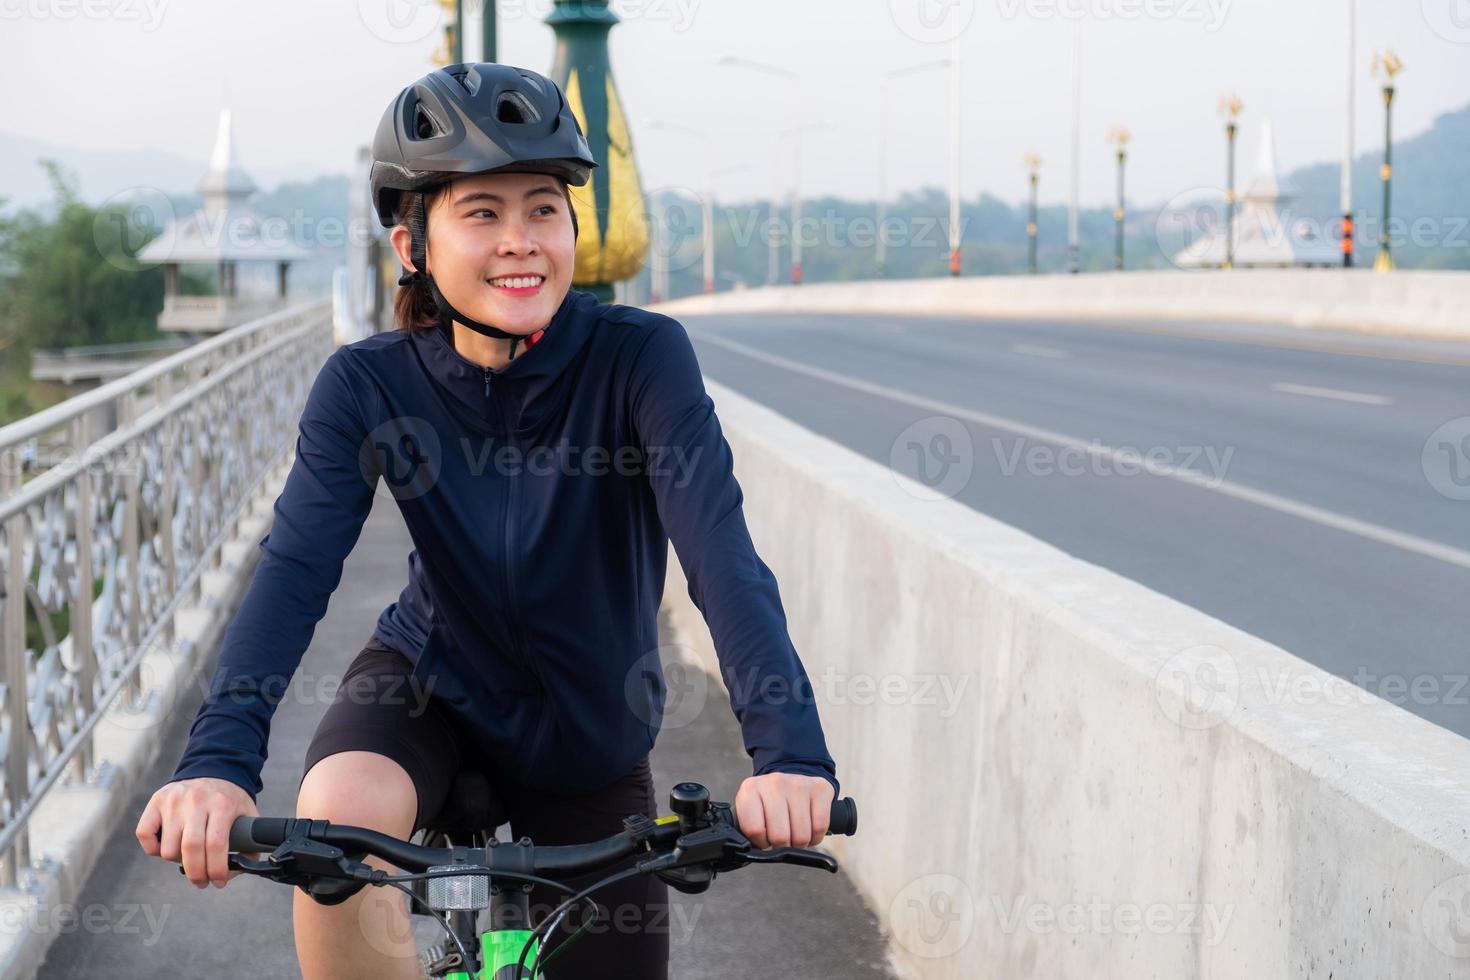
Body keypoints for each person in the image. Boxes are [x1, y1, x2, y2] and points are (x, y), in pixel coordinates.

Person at [134, 62, 839, 979]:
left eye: (543, 209)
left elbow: (722, 557)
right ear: (412, 245)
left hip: (590, 734)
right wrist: (216, 765)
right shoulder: (368, 384)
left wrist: (788, 755)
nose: (521, 242)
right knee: (337, 826)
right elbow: (295, 568)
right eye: (482, 214)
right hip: (426, 690)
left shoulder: (641, 360)